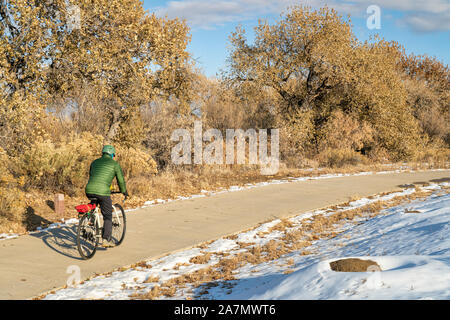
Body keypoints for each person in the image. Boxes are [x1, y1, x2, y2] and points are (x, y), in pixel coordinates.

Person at [85, 145, 128, 248]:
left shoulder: (94, 162)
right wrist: (124, 191)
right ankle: (106, 239)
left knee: (93, 205)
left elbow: (93, 175)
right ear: (112, 154)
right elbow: (120, 180)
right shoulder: (115, 164)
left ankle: (90, 219)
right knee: (107, 215)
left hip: (89, 190)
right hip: (103, 192)